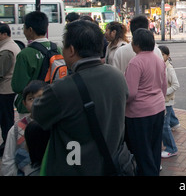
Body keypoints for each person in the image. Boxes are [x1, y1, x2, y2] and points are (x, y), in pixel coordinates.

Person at [32, 19, 129, 175]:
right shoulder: (117, 76)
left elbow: (38, 114)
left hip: (75, 168)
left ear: (71, 50)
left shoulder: (61, 88)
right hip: (110, 164)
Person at [125, 28, 167, 176]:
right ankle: (154, 171)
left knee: (142, 150)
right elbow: (164, 86)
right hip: (158, 108)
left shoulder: (135, 62)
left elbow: (130, 93)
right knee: (155, 147)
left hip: (139, 113)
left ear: (137, 44)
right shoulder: (159, 60)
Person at [11, 11, 59, 117]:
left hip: (29, 108)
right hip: (52, 103)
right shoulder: (58, 49)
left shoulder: (24, 54)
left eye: (24, 27)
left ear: (30, 30)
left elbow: (18, 86)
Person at [1, 80, 46, 176]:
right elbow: (8, 160)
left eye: (40, 97)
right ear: (24, 103)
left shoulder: (54, 125)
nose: (36, 102)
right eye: (31, 99)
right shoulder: (17, 129)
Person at [0, 23, 21, 156]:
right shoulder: (10, 46)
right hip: (7, 89)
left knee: (6, 119)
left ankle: (7, 145)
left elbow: (0, 72)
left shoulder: (6, 50)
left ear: (4, 34)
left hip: (5, 90)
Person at [159, 45, 180, 158]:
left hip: (166, 99)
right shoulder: (159, 66)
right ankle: (175, 122)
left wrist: (164, 92)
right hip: (163, 100)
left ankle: (172, 148)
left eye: (163, 55)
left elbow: (176, 85)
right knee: (168, 116)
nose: (160, 57)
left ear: (168, 56)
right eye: (159, 54)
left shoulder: (169, 68)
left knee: (164, 125)